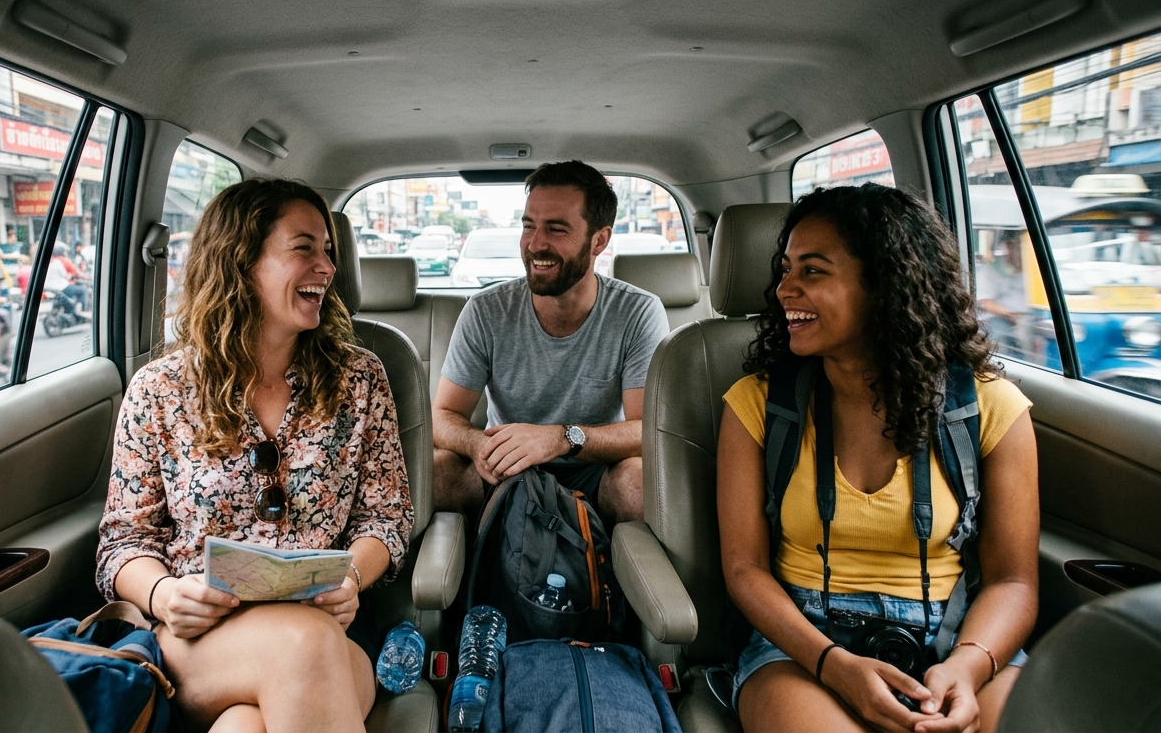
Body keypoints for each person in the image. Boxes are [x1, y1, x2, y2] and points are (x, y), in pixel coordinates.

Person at [96, 177, 413, 732]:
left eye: (329, 251)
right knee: (302, 645)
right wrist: (165, 594)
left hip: (328, 636)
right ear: (241, 261)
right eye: (304, 248)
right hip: (200, 645)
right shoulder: (159, 390)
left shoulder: (360, 378)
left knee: (244, 726)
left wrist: (352, 581)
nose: (327, 267)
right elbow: (124, 541)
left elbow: (386, 518)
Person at [718, 185, 1038, 733]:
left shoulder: (988, 407)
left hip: (960, 638)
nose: (783, 289)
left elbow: (1013, 581)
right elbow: (745, 570)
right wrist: (833, 666)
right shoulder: (757, 404)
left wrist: (965, 666)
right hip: (805, 646)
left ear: (885, 285)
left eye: (812, 272)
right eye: (785, 268)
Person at [432, 160, 670, 524]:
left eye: (556, 229)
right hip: (504, 471)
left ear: (599, 240)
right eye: (529, 226)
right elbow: (442, 416)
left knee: (639, 480)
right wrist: (479, 445)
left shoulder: (638, 312)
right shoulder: (486, 311)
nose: (536, 244)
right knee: (437, 470)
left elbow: (645, 430)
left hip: (593, 471)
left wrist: (560, 439)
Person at [975, 230, 1032, 360]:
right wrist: (1012, 316)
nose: (1011, 251)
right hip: (999, 319)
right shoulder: (989, 270)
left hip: (1028, 319)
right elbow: (985, 302)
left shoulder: (1031, 271)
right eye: (1010, 246)